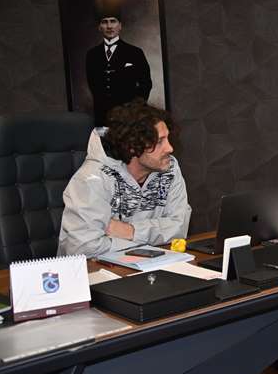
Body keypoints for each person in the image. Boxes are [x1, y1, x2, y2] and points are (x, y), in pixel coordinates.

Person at [58, 99, 191, 258]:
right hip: (95, 271)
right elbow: (84, 248)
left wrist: (131, 231)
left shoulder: (169, 167)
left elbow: (180, 227)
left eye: (167, 138)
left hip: (152, 265)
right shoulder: (91, 179)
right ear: (132, 146)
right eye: (159, 141)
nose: (170, 148)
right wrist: (152, 239)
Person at [86, 9, 152, 126]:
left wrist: (134, 109)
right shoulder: (92, 55)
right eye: (105, 22)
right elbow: (93, 85)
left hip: (129, 117)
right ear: (99, 27)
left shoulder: (135, 52)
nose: (109, 26)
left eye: (113, 21)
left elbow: (146, 84)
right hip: (102, 117)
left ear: (120, 26)